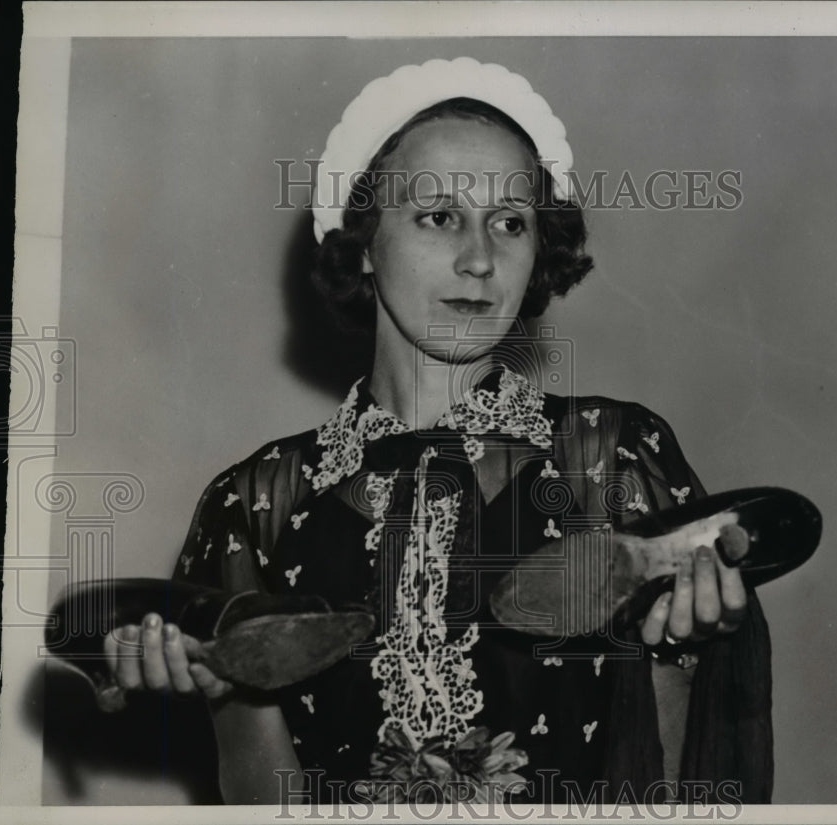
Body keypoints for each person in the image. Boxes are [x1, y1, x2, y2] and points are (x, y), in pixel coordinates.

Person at [104, 57, 773, 807]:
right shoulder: (254, 502)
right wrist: (227, 685)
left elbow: (668, 776)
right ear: (363, 240)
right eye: (439, 216)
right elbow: (263, 793)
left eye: (510, 222)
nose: (480, 259)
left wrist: (685, 645)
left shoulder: (611, 453)